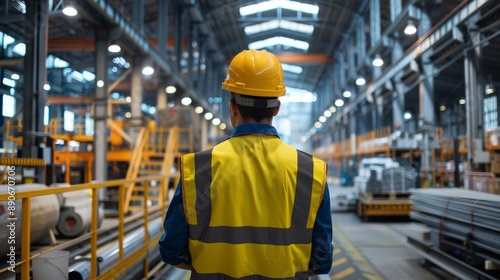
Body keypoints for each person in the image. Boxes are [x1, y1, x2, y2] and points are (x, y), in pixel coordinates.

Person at [158, 49, 333, 279]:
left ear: (232, 107)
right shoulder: (311, 171)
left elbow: (171, 250)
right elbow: (322, 262)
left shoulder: (197, 168)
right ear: (277, 108)